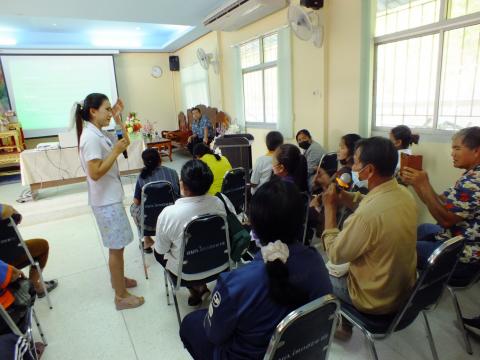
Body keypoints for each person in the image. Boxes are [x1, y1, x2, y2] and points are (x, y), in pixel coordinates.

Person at [179, 180, 332, 359]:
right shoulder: (316, 261)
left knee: (191, 323)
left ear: (255, 227)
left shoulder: (235, 283)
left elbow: (214, 335)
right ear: (301, 222)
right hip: (302, 352)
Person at [321, 137, 417, 339]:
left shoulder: (366, 217)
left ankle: (339, 327)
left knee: (320, 272)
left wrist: (329, 210)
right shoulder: (403, 193)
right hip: (404, 292)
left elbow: (336, 253)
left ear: (370, 170)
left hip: (375, 299)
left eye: (355, 162)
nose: (353, 167)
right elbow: (369, 203)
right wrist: (345, 198)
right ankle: (345, 325)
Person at [75, 93, 144, 310]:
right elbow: (94, 173)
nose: (108, 113)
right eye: (106, 109)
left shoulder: (99, 133)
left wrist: (118, 118)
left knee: (119, 245)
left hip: (110, 196)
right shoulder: (90, 138)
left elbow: (124, 141)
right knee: (116, 248)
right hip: (105, 201)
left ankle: (119, 280)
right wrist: (114, 151)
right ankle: (120, 296)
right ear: (93, 111)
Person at [154, 160, 236, 307]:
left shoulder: (168, 214)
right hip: (221, 265)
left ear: (183, 185)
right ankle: (202, 287)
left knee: (157, 252)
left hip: (186, 274)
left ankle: (194, 289)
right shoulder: (221, 202)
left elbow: (161, 250)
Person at [401, 127, 480, 278]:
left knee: (401, 250)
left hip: (464, 258)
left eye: (457, 148)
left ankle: (405, 292)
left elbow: (445, 220)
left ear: (476, 151)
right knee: (423, 228)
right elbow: (440, 200)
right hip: (456, 238)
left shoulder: (474, 181)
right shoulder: (470, 175)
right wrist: (418, 184)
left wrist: (423, 184)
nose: (452, 153)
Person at [0, 204, 57, 297]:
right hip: (6, 264)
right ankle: (35, 285)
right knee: (43, 245)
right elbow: (7, 212)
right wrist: (9, 208)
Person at [130, 148, 180, 253]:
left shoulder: (142, 177)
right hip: (171, 217)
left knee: (133, 208)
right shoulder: (173, 173)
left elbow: (136, 201)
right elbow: (177, 195)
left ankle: (147, 239)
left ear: (144, 162)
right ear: (160, 158)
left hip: (150, 221)